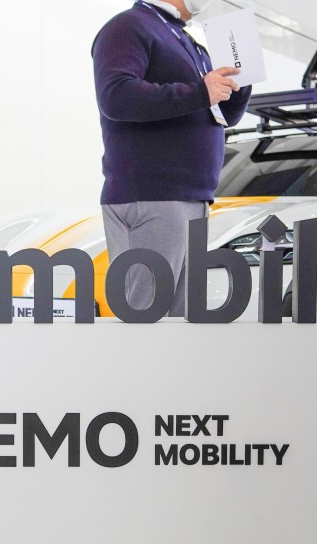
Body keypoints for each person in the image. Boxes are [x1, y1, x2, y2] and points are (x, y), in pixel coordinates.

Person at [93, 0, 252, 316]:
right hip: (152, 195)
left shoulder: (187, 40)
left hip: (191, 199)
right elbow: (116, 96)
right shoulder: (129, 26)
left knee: (180, 321)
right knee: (147, 316)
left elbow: (224, 113)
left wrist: (240, 79)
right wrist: (199, 92)